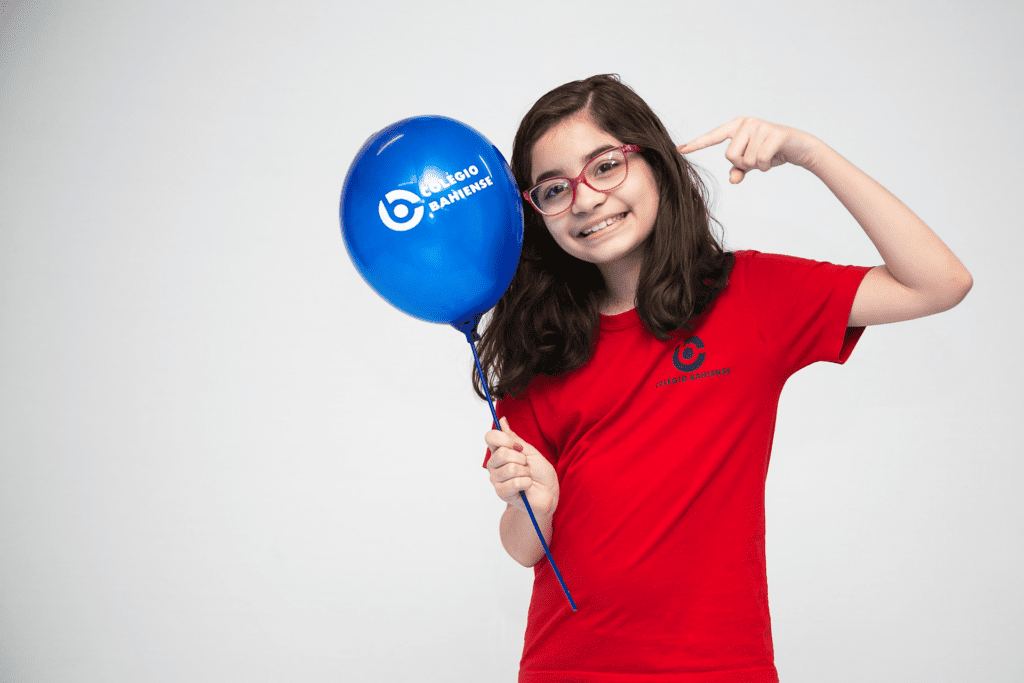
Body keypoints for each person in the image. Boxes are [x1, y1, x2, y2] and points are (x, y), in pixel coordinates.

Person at [478, 74, 971, 683]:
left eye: (605, 166)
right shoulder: (544, 346)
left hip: (717, 666)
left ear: (654, 161)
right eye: (554, 188)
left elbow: (939, 282)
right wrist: (537, 505)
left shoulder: (751, 297)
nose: (584, 199)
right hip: (567, 667)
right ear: (536, 212)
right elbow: (524, 547)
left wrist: (809, 153)